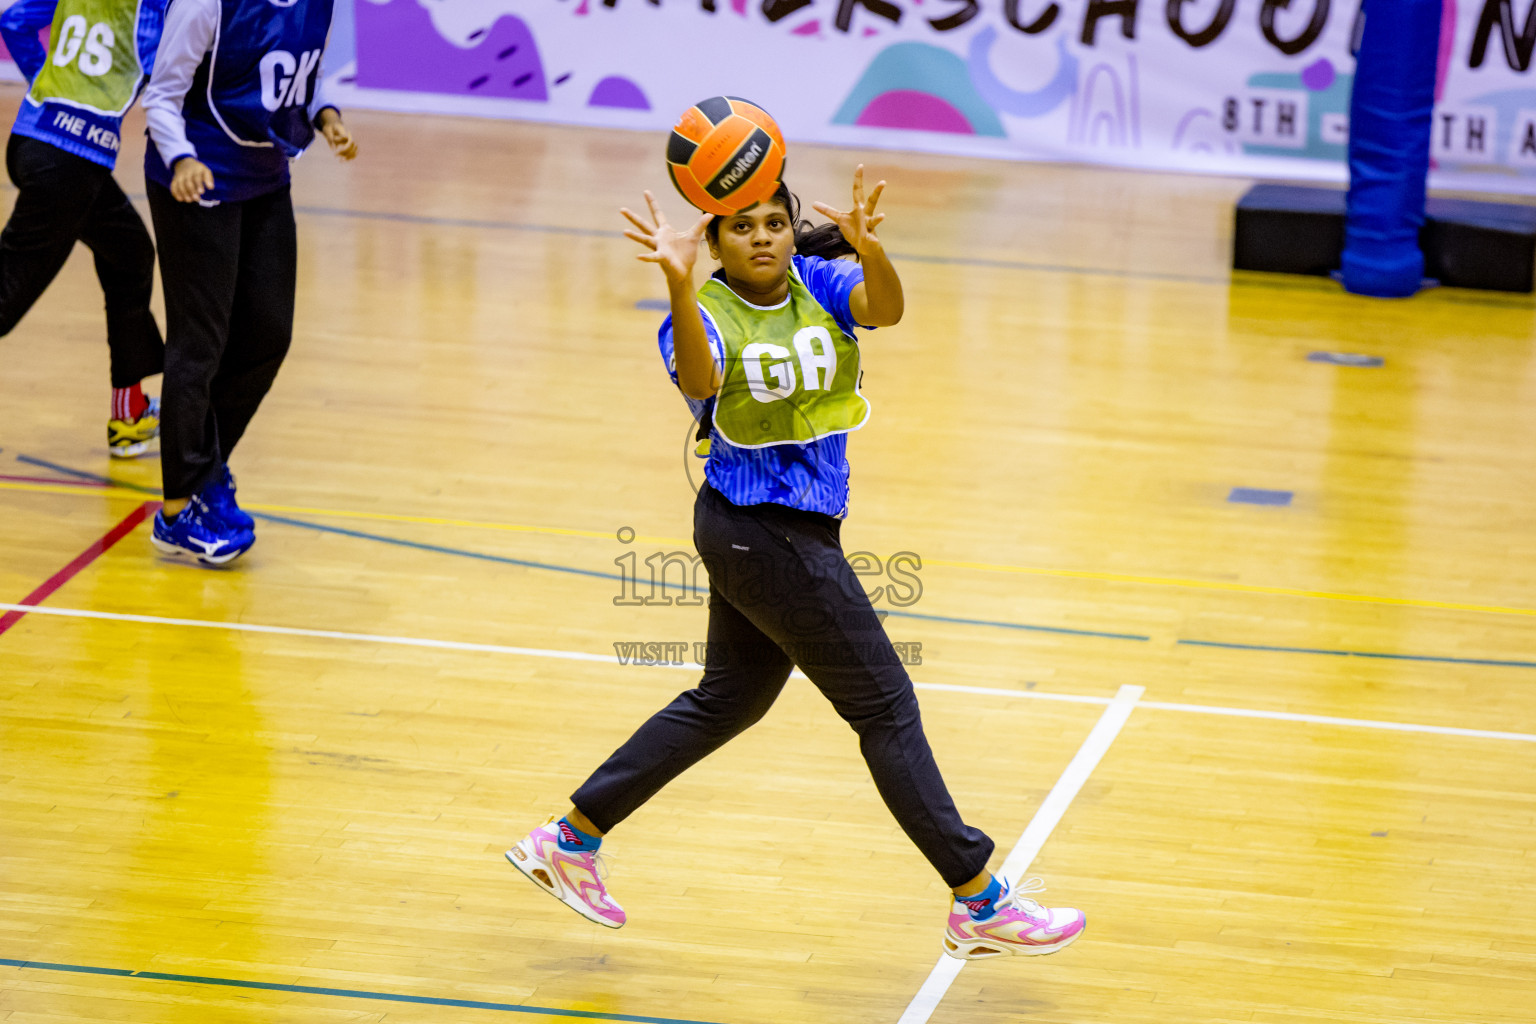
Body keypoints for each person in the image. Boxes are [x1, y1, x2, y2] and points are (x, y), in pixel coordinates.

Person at [506, 170, 1087, 960]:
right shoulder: (703, 310)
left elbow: (884, 309)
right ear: (713, 241)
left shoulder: (817, 278)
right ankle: (977, 896)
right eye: (741, 227)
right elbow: (699, 377)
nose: (763, 236)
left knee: (728, 702)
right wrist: (679, 285)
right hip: (760, 534)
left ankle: (568, 841)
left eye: (775, 222)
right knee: (885, 706)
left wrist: (875, 252)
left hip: (787, 532)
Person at [139, 0, 356, 566]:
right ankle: (176, 511)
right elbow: (162, 94)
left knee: (268, 333)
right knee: (199, 344)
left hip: (265, 176)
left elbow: (298, 71)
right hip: (198, 174)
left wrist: (326, 115)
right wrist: (181, 158)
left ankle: (206, 470)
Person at [0, 0, 168, 458]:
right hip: (69, 164)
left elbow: (13, 21)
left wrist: (46, 83)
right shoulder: (154, 8)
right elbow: (166, 72)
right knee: (6, 295)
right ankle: (130, 415)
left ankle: (129, 414)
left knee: (130, 254)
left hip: (33, 140)